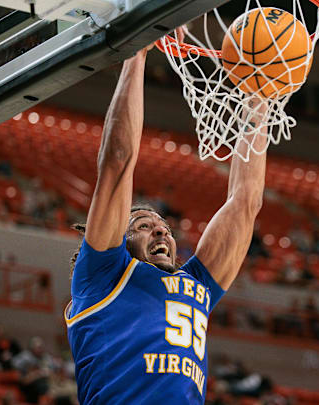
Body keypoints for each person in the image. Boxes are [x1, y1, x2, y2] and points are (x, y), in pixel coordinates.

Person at [65, 38, 267, 404]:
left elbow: (245, 203)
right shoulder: (103, 274)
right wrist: (136, 52)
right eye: (142, 225)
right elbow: (118, 161)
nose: (160, 230)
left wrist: (259, 95)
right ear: (119, 240)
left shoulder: (197, 285)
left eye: (165, 228)